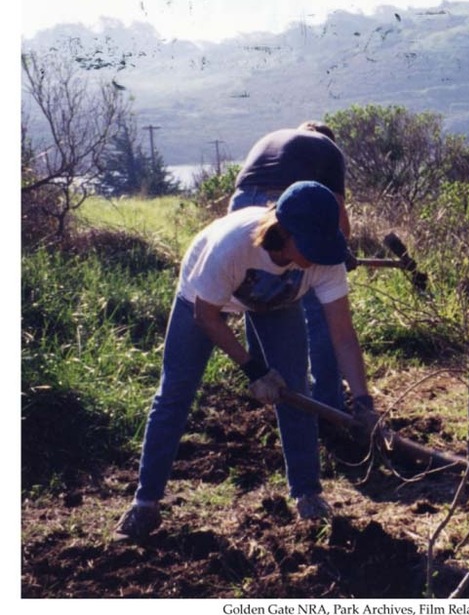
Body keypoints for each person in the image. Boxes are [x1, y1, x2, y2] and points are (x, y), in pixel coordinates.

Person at [115, 181, 374, 540]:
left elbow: (343, 335)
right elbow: (207, 317)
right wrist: (255, 371)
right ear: (283, 233)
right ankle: (145, 503)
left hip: (277, 301)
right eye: (309, 247)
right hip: (202, 297)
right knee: (176, 391)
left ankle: (308, 494)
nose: (315, 257)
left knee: (295, 387)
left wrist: (363, 401)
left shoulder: (325, 259)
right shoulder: (232, 247)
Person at [229, 121, 351, 411]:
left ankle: (266, 382)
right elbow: (337, 214)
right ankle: (328, 402)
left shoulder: (273, 138)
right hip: (287, 208)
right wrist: (338, 256)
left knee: (253, 289)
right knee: (321, 309)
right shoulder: (329, 150)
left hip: (242, 206)